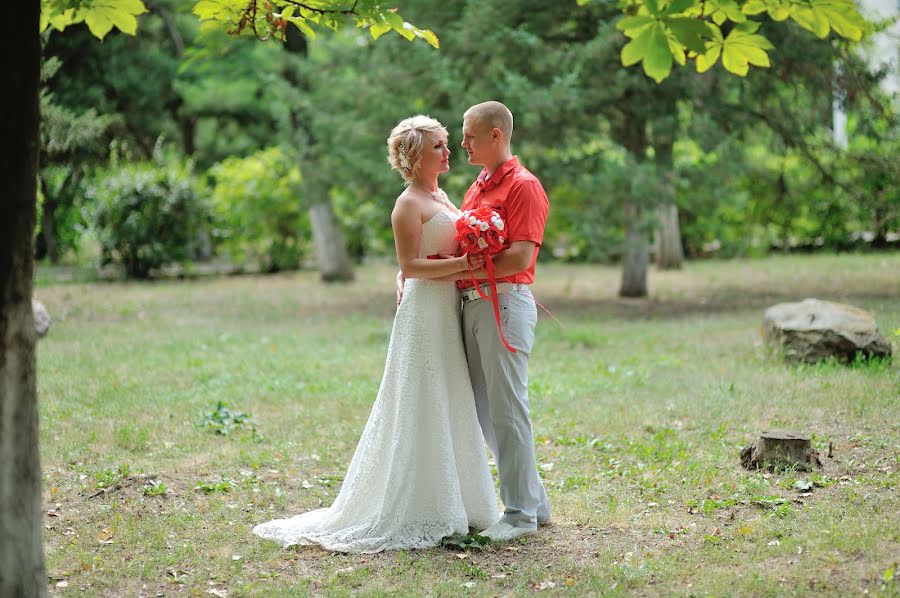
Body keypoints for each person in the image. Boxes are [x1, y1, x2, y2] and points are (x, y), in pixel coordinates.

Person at [253, 115, 499, 553]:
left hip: (447, 309)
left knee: (449, 392)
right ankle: (424, 504)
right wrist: (466, 265)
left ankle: (463, 498)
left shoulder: (440, 195)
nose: (448, 151)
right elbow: (410, 266)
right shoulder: (408, 204)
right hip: (424, 312)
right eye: (439, 146)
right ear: (416, 155)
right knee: (422, 396)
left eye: (446, 144)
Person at [455, 101, 551, 542]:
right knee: (484, 409)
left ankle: (519, 514)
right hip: (472, 304)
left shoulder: (524, 186)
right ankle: (535, 503)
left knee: (508, 410)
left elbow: (519, 256)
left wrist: (459, 269)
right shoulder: (477, 186)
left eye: (470, 135)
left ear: (496, 135)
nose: (463, 143)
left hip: (504, 304)